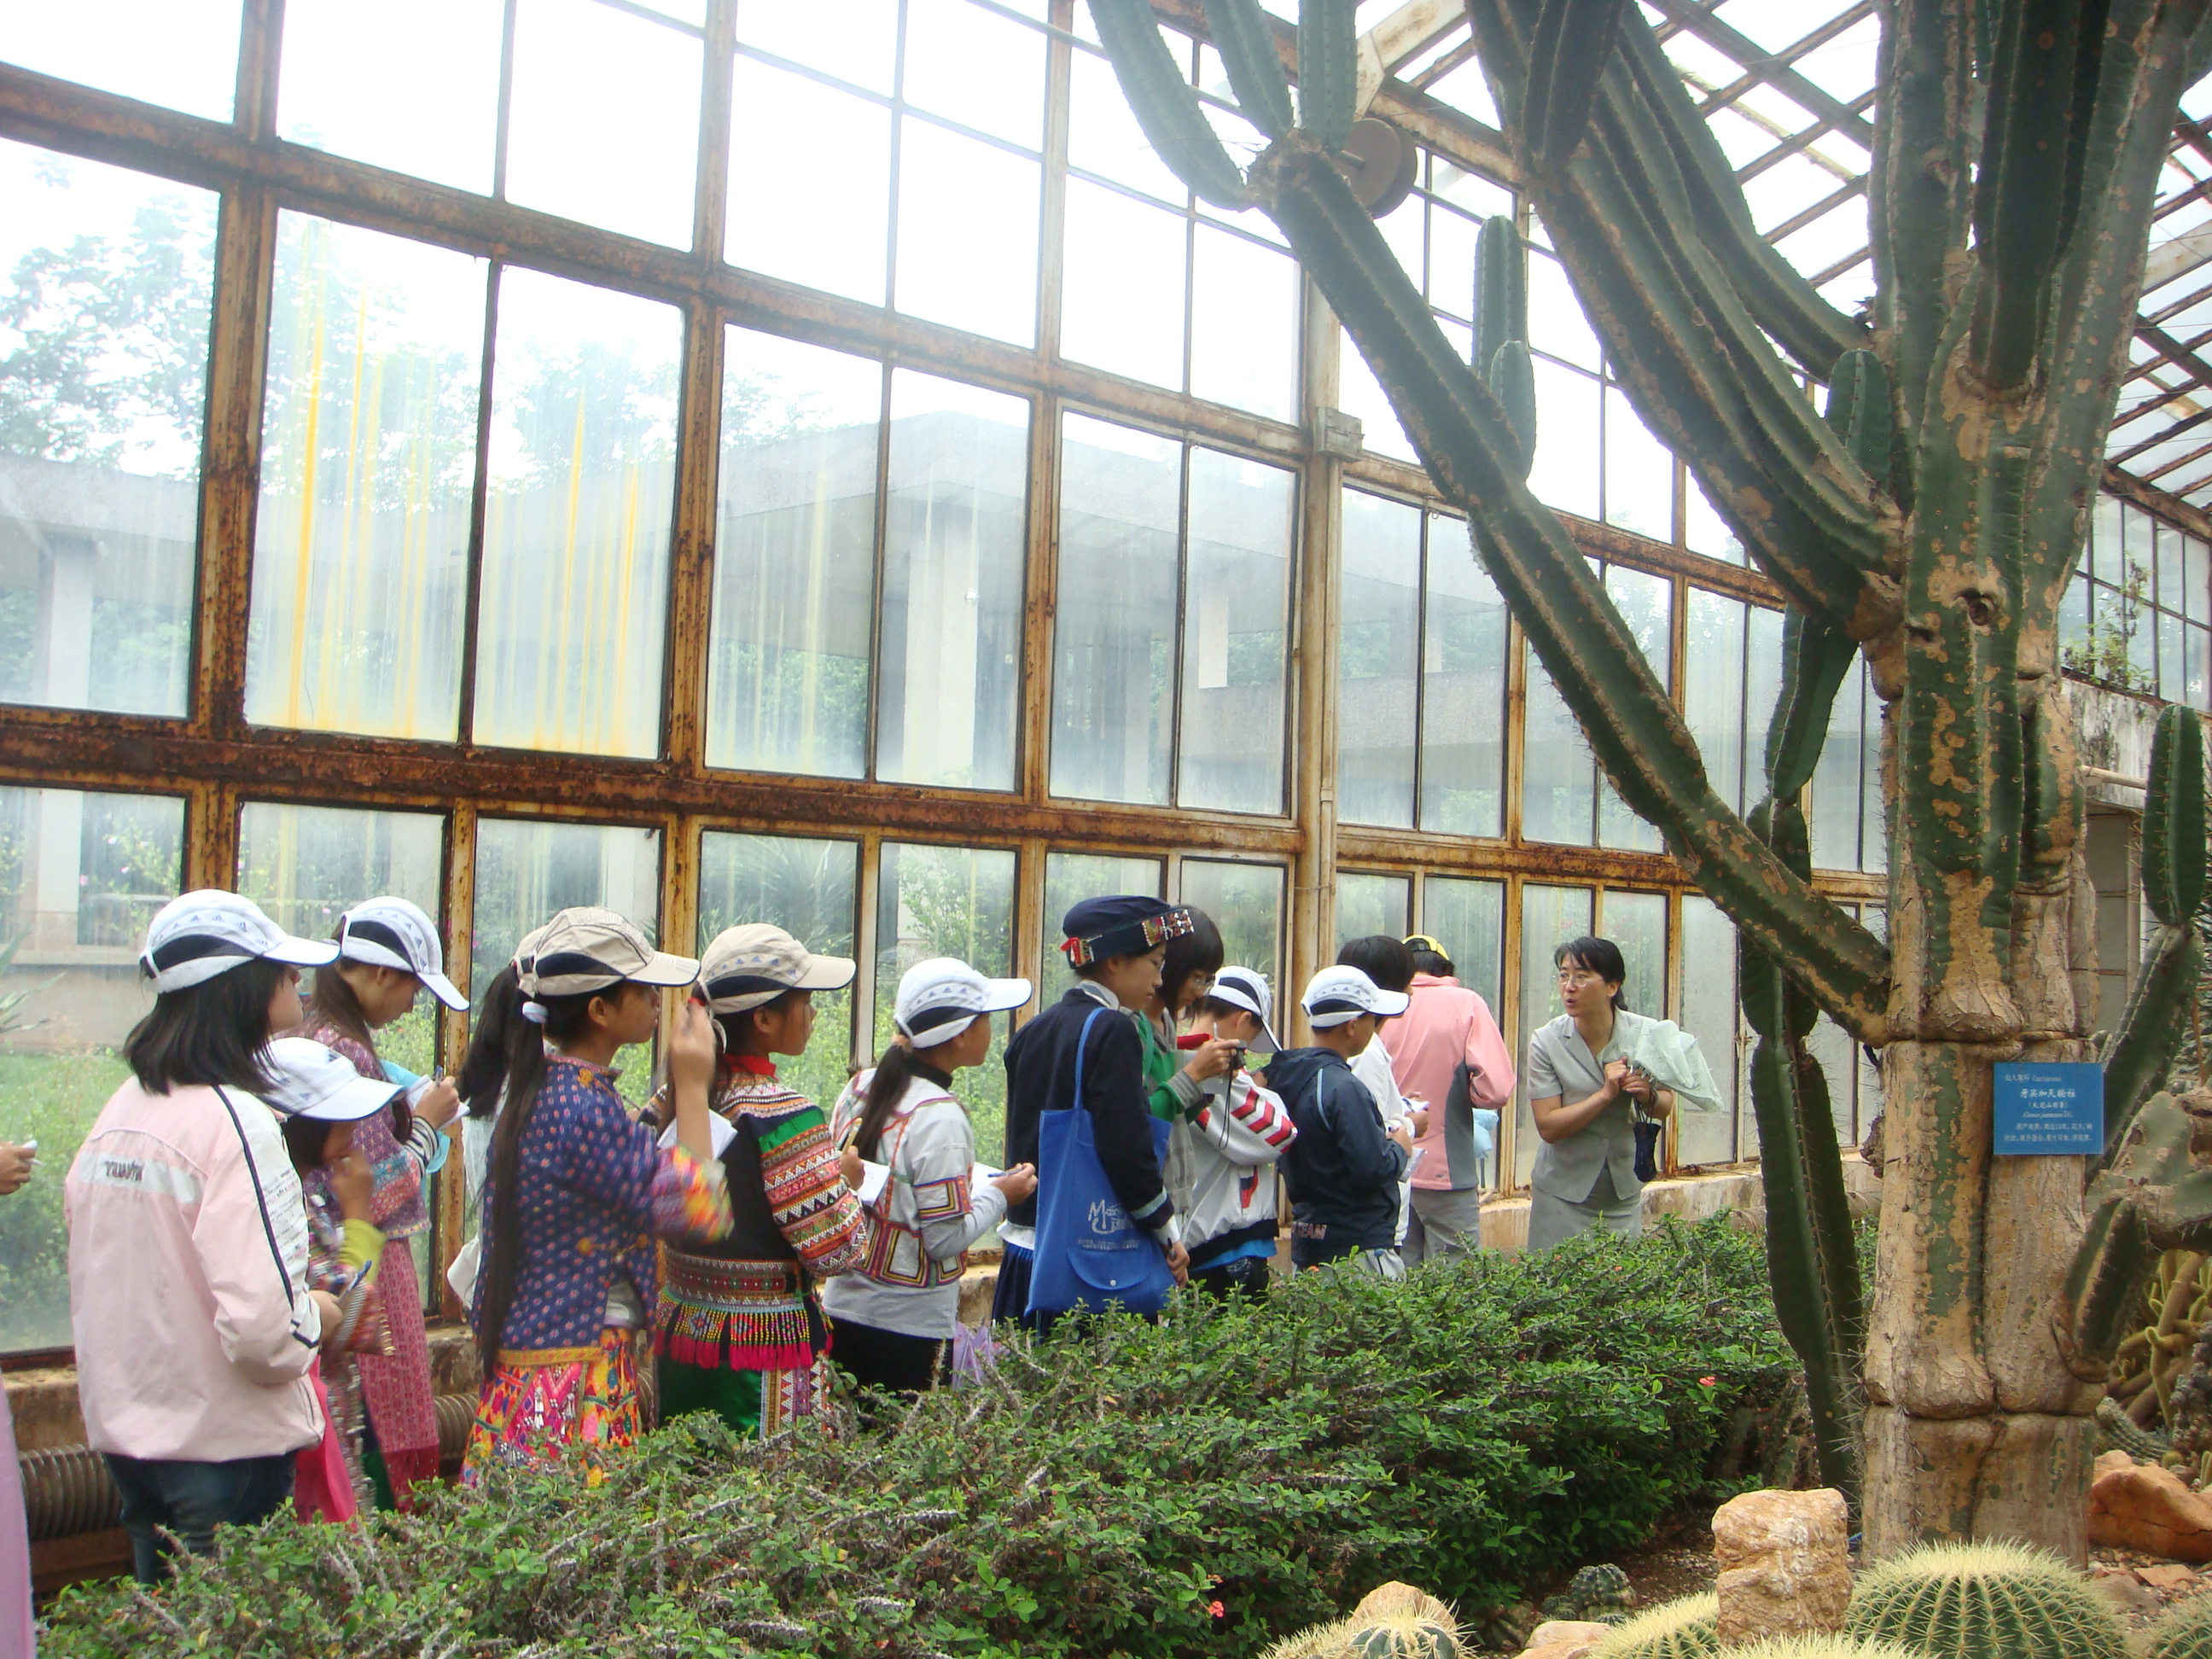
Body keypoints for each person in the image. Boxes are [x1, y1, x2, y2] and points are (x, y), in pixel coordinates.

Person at [65, 891, 346, 1581]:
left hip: (132, 1445)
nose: (298, 983)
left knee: (163, 1626)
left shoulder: (122, 1112)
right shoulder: (237, 1122)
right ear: (242, 989)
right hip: (227, 1454)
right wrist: (319, 1315)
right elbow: (264, 1333)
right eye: (282, 970)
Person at [466, 908, 731, 1481]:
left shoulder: (546, 1091)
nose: (657, 1002)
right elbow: (696, 1209)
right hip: (576, 1377)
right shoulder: (581, 1106)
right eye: (642, 990)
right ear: (600, 1010)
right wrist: (691, 1085)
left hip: (531, 1366)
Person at [655, 924, 870, 1438]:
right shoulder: (784, 1117)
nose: (813, 1013)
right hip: (763, 1354)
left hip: (685, 1342)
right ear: (766, 1017)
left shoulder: (673, 1102)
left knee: (684, 1498)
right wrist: (842, 1184)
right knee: (763, 1507)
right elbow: (838, 1250)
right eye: (805, 1000)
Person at [287, 895, 467, 1510]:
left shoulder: (315, 1032)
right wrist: (423, 1128)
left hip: (349, 1269)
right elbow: (369, 1185)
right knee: (375, 1438)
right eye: (413, 987)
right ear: (382, 975)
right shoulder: (347, 1054)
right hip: (365, 1266)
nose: (412, 1002)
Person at [825, 958, 1036, 1394]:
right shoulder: (941, 1117)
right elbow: (943, 1240)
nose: (991, 1030)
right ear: (959, 1035)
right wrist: (1001, 1195)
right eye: (985, 1019)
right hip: (907, 1332)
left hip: (842, 1313)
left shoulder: (862, 1086)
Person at [993, 895, 1193, 1325]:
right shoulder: (1115, 1030)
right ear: (1116, 960)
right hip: (1086, 1260)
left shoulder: (1032, 1032)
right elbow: (1127, 1147)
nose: (1159, 981)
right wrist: (1167, 1231)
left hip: (1023, 1251)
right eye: (1156, 963)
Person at [261, 1037, 408, 1522]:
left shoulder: (305, 1191)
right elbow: (345, 1321)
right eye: (339, 1116)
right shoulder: (288, 1204)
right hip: (301, 1428)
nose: (353, 1128)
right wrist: (361, 1215)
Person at [1526, 935, 1722, 1252]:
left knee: (1621, 1286)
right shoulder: (1546, 1041)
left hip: (1622, 1191)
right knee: (1557, 1289)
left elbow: (1665, 1106)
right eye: (1563, 975)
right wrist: (1604, 1095)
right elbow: (1548, 1126)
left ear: (1612, 986)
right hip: (1561, 1191)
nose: (1569, 986)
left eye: (1581, 976)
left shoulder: (1647, 1034)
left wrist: (1647, 1095)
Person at [1270, 964, 1414, 1278]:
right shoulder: (1344, 1088)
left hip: (1310, 1248)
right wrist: (1400, 1146)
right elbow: (1372, 1169)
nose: (1375, 1028)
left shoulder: (1288, 1078)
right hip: (1356, 1254)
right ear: (1352, 1026)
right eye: (1372, 1019)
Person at [1174, 965, 1296, 1296]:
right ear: (1243, 1021)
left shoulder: (1171, 1058)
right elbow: (1279, 1133)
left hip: (1188, 1247)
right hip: (1224, 1253)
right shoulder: (1209, 1068)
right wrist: (1261, 1090)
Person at [1394, 934, 1515, 1263]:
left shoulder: (1378, 1008)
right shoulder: (1466, 1003)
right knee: (1454, 1287)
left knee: (1398, 1282)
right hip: (1446, 1172)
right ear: (1444, 968)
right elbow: (1497, 1090)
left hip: (1388, 1169)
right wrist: (1468, 1092)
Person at [1334, 936, 1424, 1249]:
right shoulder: (1366, 1050)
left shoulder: (1363, 1045)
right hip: (1370, 1227)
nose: (1411, 992)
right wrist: (1411, 1125)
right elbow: (1368, 1136)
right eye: (1406, 983)